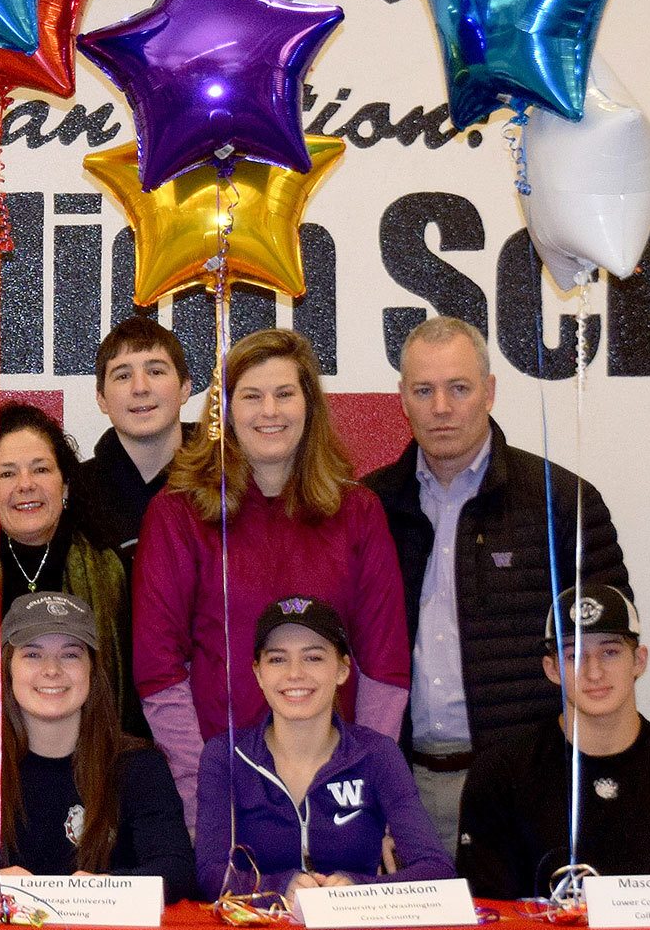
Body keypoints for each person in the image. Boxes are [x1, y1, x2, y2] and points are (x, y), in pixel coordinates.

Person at [363, 316, 634, 856]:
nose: (441, 407)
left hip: (529, 788)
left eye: (458, 388)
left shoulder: (563, 504)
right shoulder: (367, 509)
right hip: (400, 788)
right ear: (402, 399)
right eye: (424, 390)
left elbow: (606, 653)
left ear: (489, 392)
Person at [134, 328, 409, 829]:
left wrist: (368, 788)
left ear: (310, 406)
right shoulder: (177, 515)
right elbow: (159, 672)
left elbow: (383, 666)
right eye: (251, 397)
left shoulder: (359, 513)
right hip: (224, 787)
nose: (270, 412)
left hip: (338, 790)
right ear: (224, 411)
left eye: (285, 394)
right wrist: (205, 795)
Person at [0, 592, 198, 905]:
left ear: (93, 670)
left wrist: (110, 888)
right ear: (6, 669)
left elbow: (176, 871)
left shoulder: (139, 766)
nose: (52, 670)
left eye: (70, 655)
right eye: (32, 654)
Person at [459, 586, 650, 900]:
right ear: (551, 669)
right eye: (574, 655)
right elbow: (489, 919)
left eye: (610, 651)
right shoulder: (500, 776)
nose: (594, 672)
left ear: (639, 660)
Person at [195, 596, 453, 898]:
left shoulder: (377, 754)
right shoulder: (225, 755)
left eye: (313, 657)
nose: (295, 673)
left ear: (342, 669)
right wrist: (275, 888)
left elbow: (437, 870)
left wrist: (359, 890)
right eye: (277, 659)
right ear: (258, 673)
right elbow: (210, 874)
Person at [0, 403, 134, 733]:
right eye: (7, 473)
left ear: (65, 487)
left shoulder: (108, 570)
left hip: (92, 765)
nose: (25, 484)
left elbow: (129, 696)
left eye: (41, 469)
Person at [74, 317, 196, 558]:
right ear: (101, 399)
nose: (140, 387)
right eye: (122, 376)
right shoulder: (75, 494)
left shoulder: (227, 478)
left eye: (155, 371)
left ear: (185, 388)